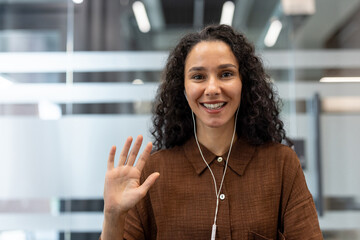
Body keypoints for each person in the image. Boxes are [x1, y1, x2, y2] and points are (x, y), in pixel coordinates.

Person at [100, 24, 323, 240]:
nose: (213, 89)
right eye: (198, 77)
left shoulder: (281, 164)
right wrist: (112, 216)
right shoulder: (153, 173)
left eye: (226, 74)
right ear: (183, 89)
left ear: (243, 83)